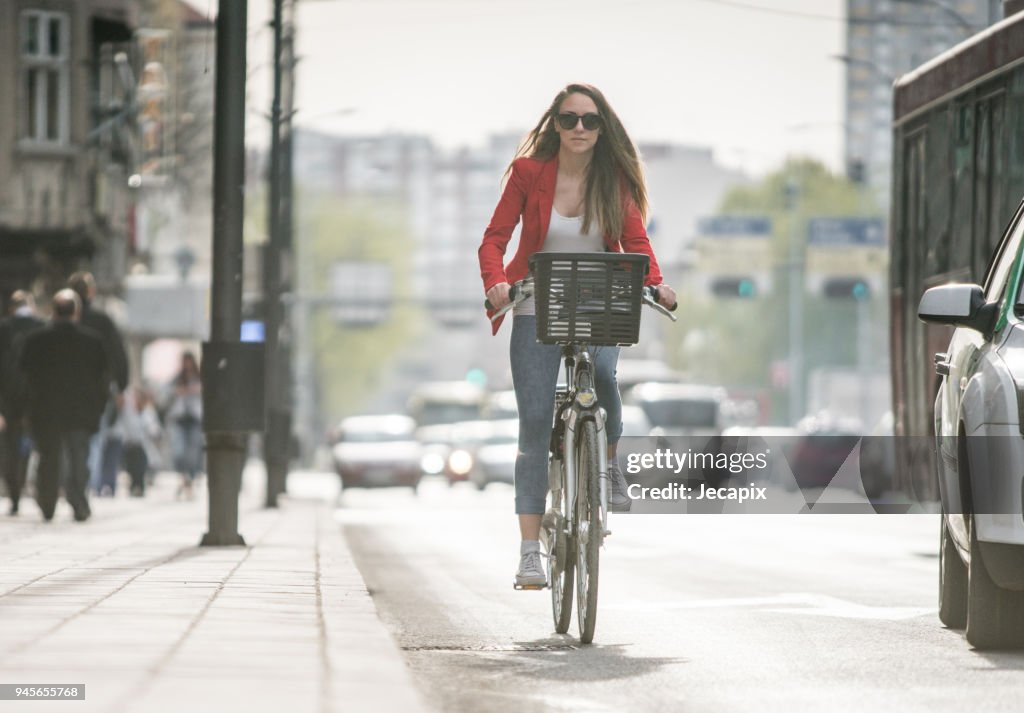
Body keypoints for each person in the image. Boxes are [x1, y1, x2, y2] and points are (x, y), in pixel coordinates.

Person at [478, 83, 678, 588]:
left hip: (601, 300)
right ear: (556, 125)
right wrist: (497, 283)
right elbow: (494, 238)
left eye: (590, 120)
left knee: (606, 377)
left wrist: (656, 284)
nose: (580, 129)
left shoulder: (613, 179)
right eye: (570, 120)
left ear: (603, 127)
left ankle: (607, 467)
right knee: (534, 424)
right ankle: (529, 552)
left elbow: (635, 240)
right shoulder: (529, 174)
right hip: (535, 304)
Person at [20, 290, 110, 522]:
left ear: (53, 312)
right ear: (76, 313)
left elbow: (24, 376)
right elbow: (103, 380)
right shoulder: (93, 342)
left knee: (48, 457)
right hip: (80, 411)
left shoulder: (36, 340)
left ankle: (47, 502)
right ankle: (78, 501)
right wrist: (99, 408)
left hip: (45, 410)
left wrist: (27, 408)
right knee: (79, 457)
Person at [67, 272, 129, 496]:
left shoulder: (59, 322)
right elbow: (118, 356)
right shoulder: (102, 322)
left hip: (64, 391)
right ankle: (85, 486)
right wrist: (121, 386)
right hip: (96, 392)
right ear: (91, 293)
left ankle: (72, 483)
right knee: (93, 440)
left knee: (67, 441)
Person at [0, 290, 44, 515]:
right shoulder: (41, 327)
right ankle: (35, 486)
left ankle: (14, 492)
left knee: (9, 446)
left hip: (7, 399)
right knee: (37, 444)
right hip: (36, 398)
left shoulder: (3, 328)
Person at [163, 351, 203, 499]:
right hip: (179, 418)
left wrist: (195, 390)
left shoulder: (199, 377)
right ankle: (184, 477)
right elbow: (165, 391)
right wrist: (178, 391)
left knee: (192, 452)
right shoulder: (177, 378)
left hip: (194, 418)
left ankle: (190, 480)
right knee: (178, 451)